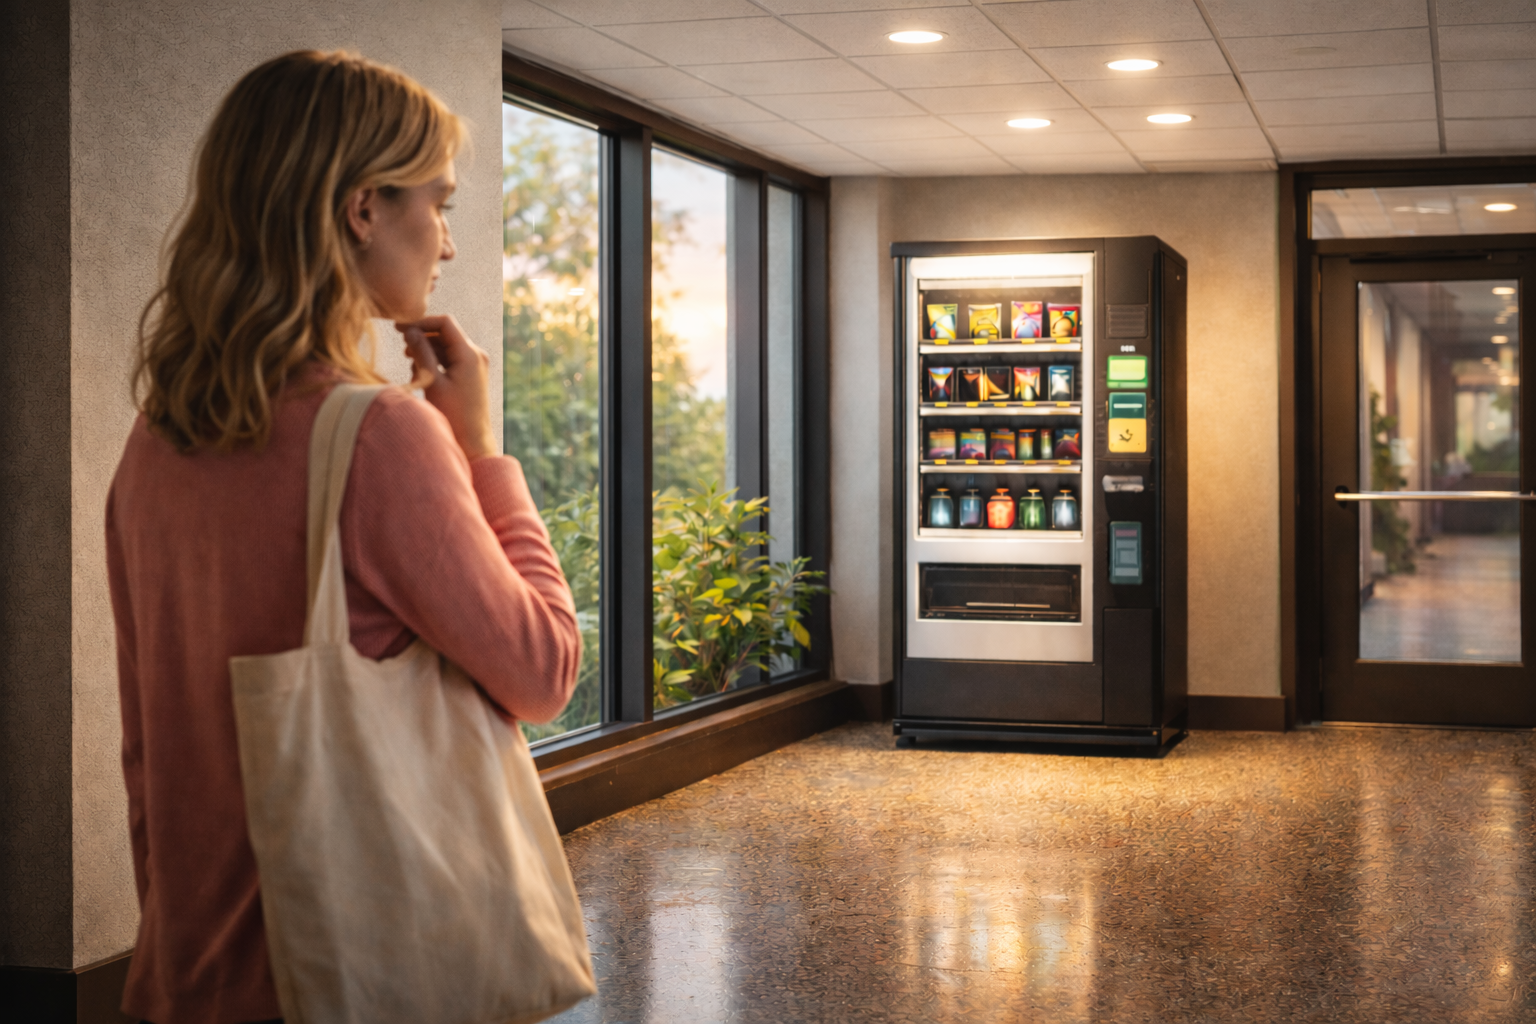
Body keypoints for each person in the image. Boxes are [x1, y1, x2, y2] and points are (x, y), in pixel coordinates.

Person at [106, 50, 581, 1024]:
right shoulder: (378, 433)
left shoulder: (154, 441)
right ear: (364, 206)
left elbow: (146, 744)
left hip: (190, 970)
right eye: (437, 203)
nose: (445, 242)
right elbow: (543, 667)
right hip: (348, 974)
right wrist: (481, 449)